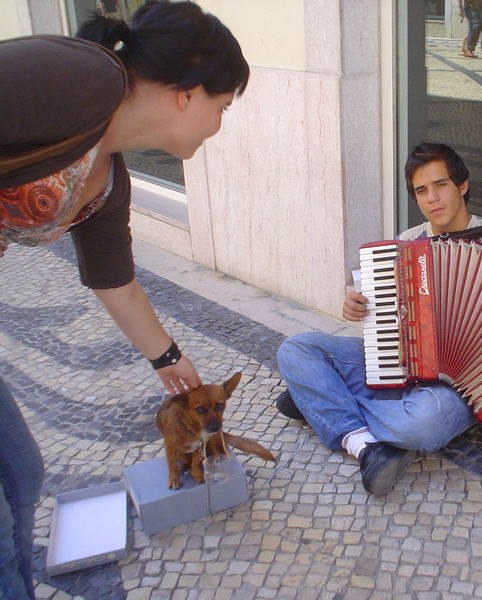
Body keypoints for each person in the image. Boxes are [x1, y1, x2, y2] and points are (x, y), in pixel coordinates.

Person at [0, 3, 248, 597]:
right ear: (188, 94)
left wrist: (169, 359)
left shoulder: (109, 177)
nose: (220, 125)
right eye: (224, 107)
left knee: (23, 476)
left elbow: (112, 280)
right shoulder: (78, 78)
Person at [275, 143, 482, 497]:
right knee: (297, 348)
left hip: (461, 388)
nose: (432, 198)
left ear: (462, 185)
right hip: (403, 365)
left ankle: (326, 405)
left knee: (420, 426)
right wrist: (358, 307)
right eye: (422, 190)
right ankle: (363, 442)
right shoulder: (406, 244)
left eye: (441, 185)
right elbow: (385, 322)